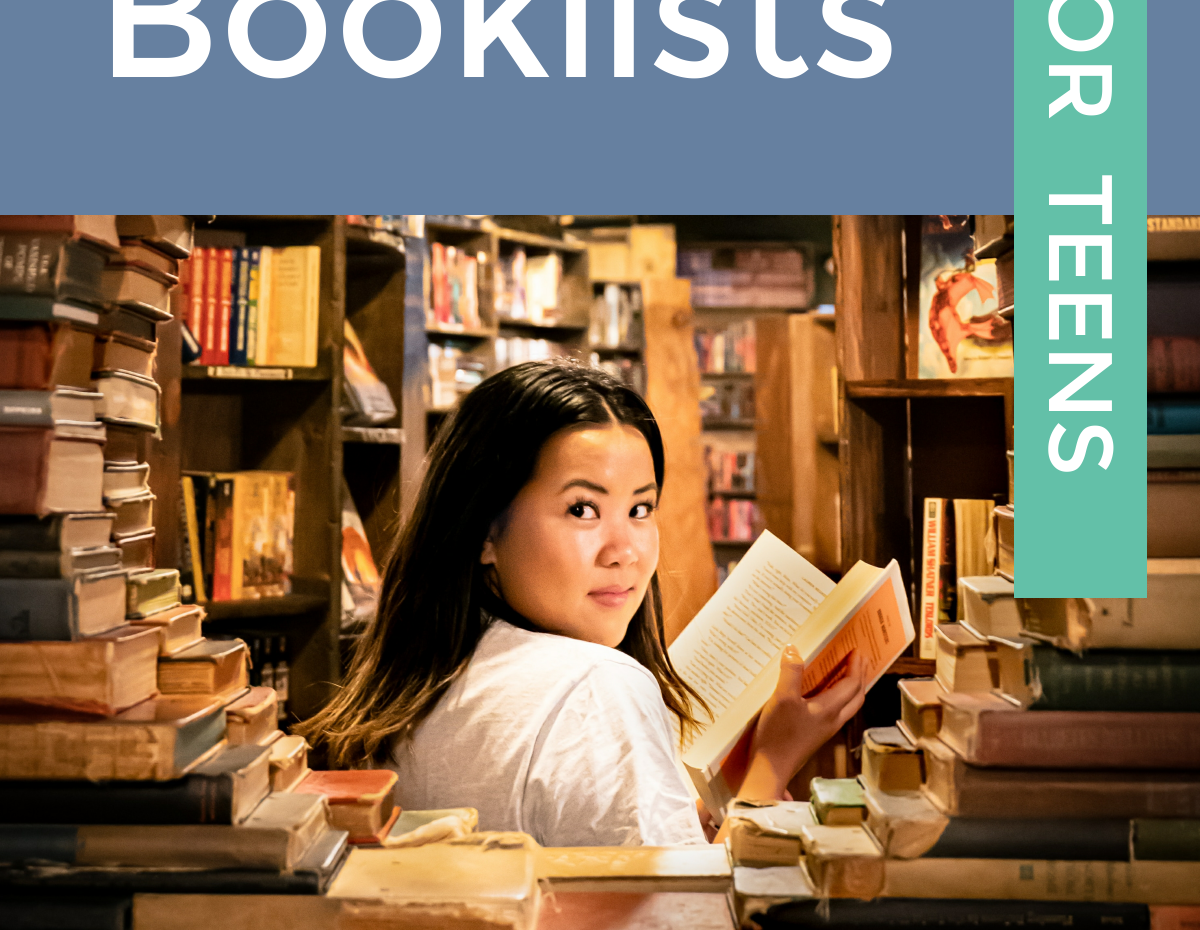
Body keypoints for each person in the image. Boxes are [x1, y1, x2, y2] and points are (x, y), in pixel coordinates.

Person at [298, 360, 867, 847]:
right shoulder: (597, 687)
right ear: (484, 533)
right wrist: (771, 764)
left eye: (641, 510)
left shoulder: (416, 677)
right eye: (582, 511)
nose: (624, 551)